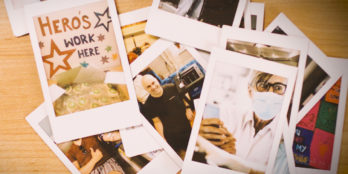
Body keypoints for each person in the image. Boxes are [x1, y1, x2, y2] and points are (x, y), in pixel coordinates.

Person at [198, 71, 288, 172]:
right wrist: (198, 133)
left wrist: (229, 160)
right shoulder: (229, 114)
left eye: (278, 88)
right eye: (263, 86)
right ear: (250, 91)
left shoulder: (286, 138)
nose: (270, 94)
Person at [140, 74, 194, 157]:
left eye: (153, 83)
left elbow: (184, 95)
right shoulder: (148, 105)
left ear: (156, 80)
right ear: (145, 89)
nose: (153, 87)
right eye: (149, 86)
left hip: (188, 127)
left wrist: (188, 108)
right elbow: (157, 122)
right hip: (173, 137)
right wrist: (163, 139)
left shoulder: (172, 87)